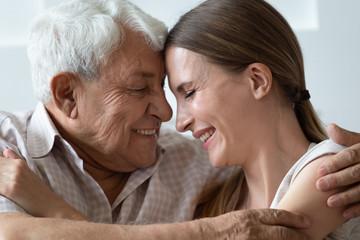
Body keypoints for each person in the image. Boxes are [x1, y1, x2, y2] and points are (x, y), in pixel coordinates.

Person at [0, 0, 360, 240]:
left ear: (257, 81)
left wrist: (50, 209)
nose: (173, 117)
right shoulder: (8, 153)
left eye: (185, 92)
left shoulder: (329, 173)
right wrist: (214, 231)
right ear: (68, 95)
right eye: (141, 89)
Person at [163, 0, 360, 239]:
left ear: (258, 81)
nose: (180, 122)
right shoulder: (211, 204)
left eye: (190, 92)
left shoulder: (330, 168)